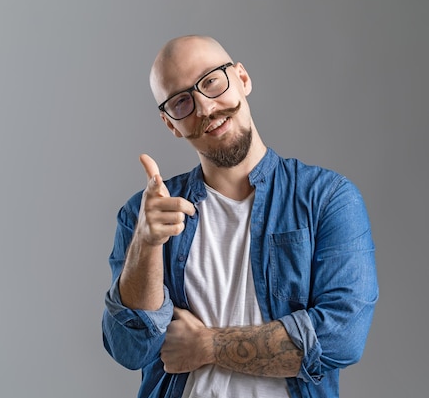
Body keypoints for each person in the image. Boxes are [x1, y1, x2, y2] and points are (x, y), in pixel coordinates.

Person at [102, 35, 378, 398]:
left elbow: (342, 337)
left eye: (211, 81)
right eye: (182, 101)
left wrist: (207, 346)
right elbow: (128, 349)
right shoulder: (146, 215)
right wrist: (146, 244)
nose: (205, 108)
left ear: (242, 79)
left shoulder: (328, 199)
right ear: (171, 124)